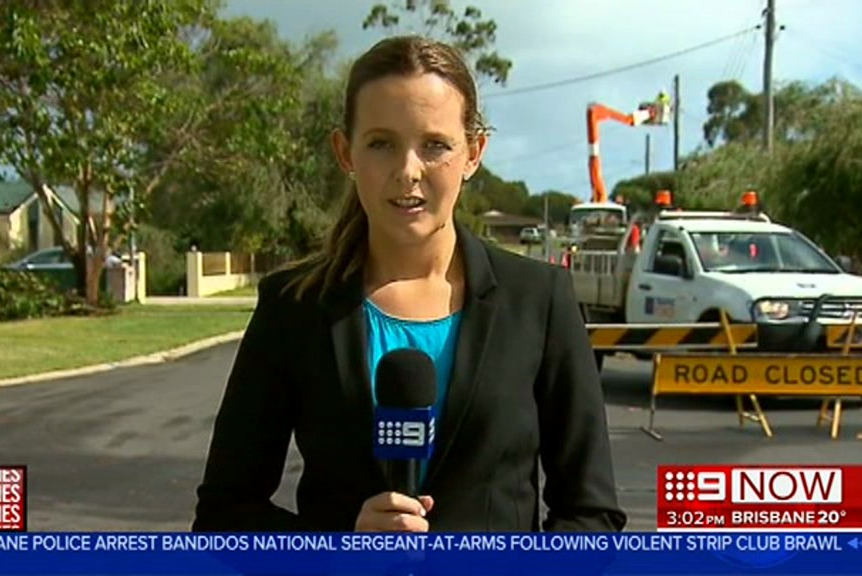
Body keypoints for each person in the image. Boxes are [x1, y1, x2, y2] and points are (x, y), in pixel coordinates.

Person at [192, 35, 626, 533]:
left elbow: (592, 514)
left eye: (435, 145)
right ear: (345, 152)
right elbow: (224, 513)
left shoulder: (539, 301)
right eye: (381, 143)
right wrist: (338, 551)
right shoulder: (294, 307)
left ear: (474, 152)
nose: (408, 171)